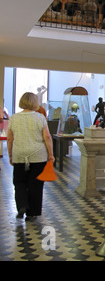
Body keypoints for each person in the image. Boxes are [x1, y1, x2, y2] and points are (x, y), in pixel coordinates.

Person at [7, 92, 55, 221]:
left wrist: (11, 155)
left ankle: (22, 205)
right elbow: (47, 137)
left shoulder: (13, 118)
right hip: (38, 155)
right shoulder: (40, 118)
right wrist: (51, 154)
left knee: (19, 182)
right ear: (35, 103)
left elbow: (10, 139)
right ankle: (32, 212)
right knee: (36, 183)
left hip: (20, 154)